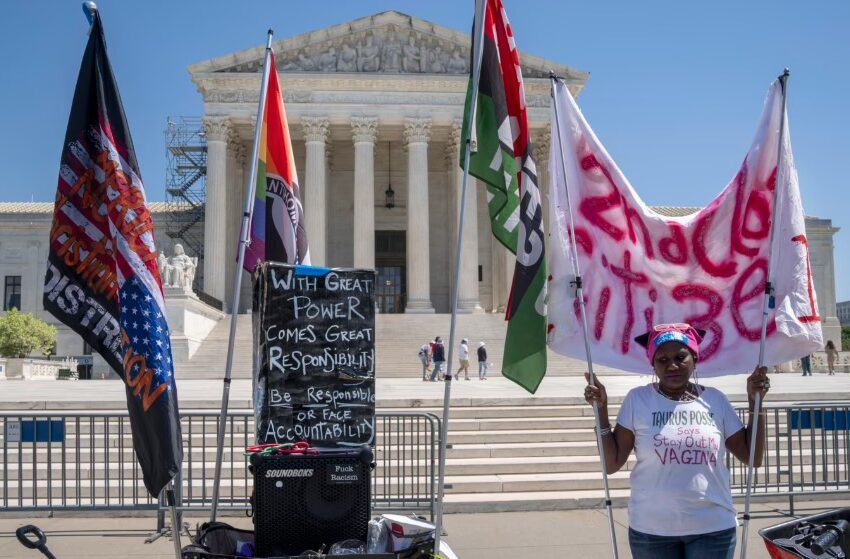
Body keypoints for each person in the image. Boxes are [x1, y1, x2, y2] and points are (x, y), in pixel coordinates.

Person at [583, 323, 769, 559]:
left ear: (694, 358)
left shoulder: (716, 400)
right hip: (652, 530)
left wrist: (756, 402)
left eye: (681, 357)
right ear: (653, 364)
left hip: (712, 528)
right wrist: (601, 410)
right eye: (662, 360)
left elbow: (752, 457)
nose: (672, 366)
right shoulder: (638, 400)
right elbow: (612, 464)